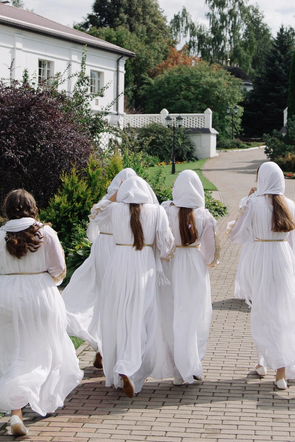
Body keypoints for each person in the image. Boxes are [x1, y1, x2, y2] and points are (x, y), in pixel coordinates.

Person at [0, 190, 83, 437]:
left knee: (11, 351)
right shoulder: (46, 233)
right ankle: (43, 400)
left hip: (6, 295)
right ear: (32, 207)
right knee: (45, 346)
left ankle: (16, 411)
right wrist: (43, 277)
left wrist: (10, 275)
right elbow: (59, 268)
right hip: (40, 294)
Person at [228, 161, 295, 389]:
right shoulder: (290, 205)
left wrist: (249, 230)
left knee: (262, 310)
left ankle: (269, 363)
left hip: (260, 258)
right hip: (283, 259)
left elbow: (235, 236)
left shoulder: (253, 203)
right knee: (282, 310)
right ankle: (273, 366)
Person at [95, 176, 175, 398]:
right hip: (144, 266)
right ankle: (129, 366)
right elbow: (166, 245)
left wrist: (115, 195)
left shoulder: (115, 209)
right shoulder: (157, 211)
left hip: (118, 265)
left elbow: (96, 214)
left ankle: (121, 365)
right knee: (142, 317)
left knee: (120, 317)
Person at [62, 168, 136, 369]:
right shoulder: (110, 203)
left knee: (114, 300)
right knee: (107, 299)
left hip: (113, 248)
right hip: (113, 250)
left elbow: (92, 230)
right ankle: (106, 348)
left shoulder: (121, 205)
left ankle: (107, 349)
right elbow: (95, 218)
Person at [153, 170, 219, 385]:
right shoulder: (204, 216)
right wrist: (208, 261)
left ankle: (177, 368)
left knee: (170, 314)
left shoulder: (165, 210)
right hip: (193, 264)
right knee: (194, 315)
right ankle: (191, 364)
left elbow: (159, 240)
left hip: (170, 263)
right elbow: (209, 253)